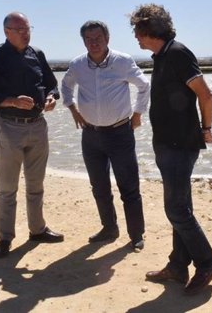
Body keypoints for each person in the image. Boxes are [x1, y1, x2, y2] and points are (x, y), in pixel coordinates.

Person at [129, 4, 212, 295]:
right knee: (181, 207)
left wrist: (206, 129)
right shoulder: (162, 56)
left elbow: (205, 94)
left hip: (181, 145)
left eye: (137, 32)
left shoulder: (178, 53)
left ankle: (206, 263)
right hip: (167, 144)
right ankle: (178, 266)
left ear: (148, 30)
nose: (136, 38)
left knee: (176, 209)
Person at [0, 12, 64, 259]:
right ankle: (5, 238)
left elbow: (52, 84)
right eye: (20, 30)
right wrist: (13, 102)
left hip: (38, 126)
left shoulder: (36, 54)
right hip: (9, 127)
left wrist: (52, 98)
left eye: (28, 28)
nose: (25, 33)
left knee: (36, 184)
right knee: (7, 187)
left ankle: (37, 230)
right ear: (6, 31)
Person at [60, 20, 149, 250]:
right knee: (99, 187)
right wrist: (72, 109)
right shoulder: (78, 65)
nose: (94, 43)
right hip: (91, 136)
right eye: (89, 39)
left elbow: (144, 85)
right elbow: (66, 86)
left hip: (120, 133)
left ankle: (136, 234)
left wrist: (138, 114)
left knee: (128, 187)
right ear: (83, 41)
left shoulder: (122, 61)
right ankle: (109, 228)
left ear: (107, 38)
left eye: (98, 38)